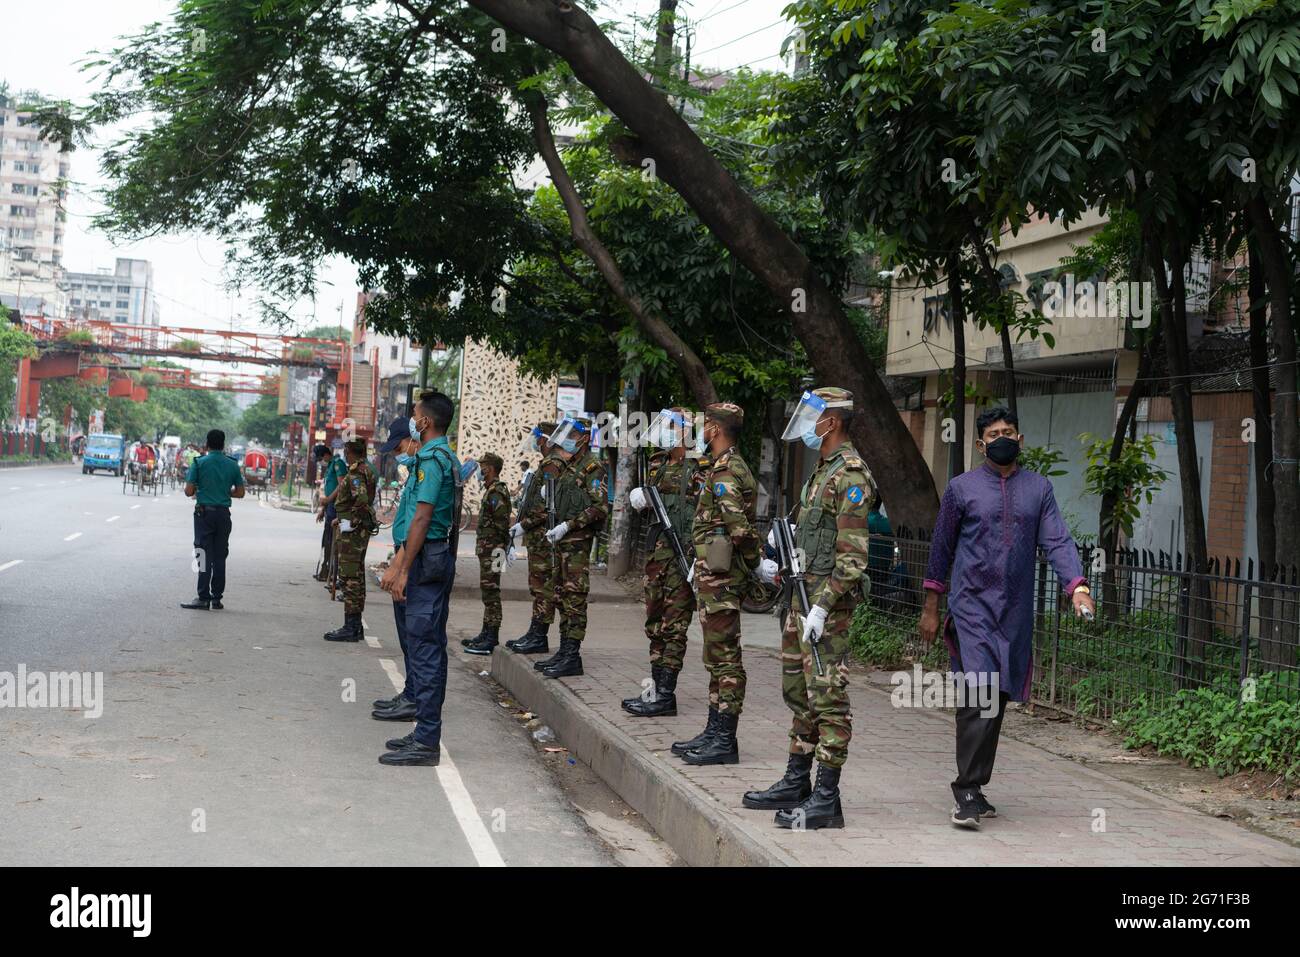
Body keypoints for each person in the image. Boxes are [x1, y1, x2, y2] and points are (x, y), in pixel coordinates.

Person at [919, 405, 1096, 829]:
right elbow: (941, 549)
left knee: (997, 697)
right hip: (971, 606)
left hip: (1014, 610)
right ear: (981, 444)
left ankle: (976, 787)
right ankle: (964, 789)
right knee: (979, 690)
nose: (1002, 437)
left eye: (1009, 431)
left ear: (1020, 440)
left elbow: (1057, 540)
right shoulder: (961, 489)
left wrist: (1077, 587)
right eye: (994, 432)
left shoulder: (1039, 489)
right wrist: (931, 606)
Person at [743, 387, 875, 829]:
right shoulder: (821, 472)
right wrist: (776, 554)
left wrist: (821, 608)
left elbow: (852, 559)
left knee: (830, 700)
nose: (807, 424)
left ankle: (827, 798)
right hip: (801, 601)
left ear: (832, 421)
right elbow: (806, 533)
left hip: (826, 608)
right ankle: (797, 780)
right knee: (800, 695)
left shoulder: (851, 475)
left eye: (814, 416)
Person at [672, 402, 759, 766]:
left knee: (725, 660)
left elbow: (738, 528)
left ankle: (725, 739)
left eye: (706, 424)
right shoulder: (724, 467)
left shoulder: (725, 472)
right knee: (715, 657)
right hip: (714, 576)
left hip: (723, 580)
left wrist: (758, 564)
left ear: (715, 429)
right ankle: (713, 731)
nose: (702, 430)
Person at [378, 391, 461, 766]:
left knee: (425, 648)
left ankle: (427, 740)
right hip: (430, 557)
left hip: (427, 560)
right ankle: (423, 732)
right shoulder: (441, 456)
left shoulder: (431, 459)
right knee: (427, 645)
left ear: (425, 422)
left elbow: (423, 518)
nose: (412, 417)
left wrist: (403, 567)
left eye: (415, 413)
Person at [623, 408, 706, 717]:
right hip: (657, 558)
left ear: (685, 430)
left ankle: (666, 695)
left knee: (674, 628)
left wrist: (700, 559)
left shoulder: (700, 467)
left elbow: (706, 516)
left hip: (683, 558)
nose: (666, 432)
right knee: (655, 624)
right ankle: (654, 690)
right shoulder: (657, 463)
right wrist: (641, 499)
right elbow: (651, 507)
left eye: (672, 426)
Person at [528, 417, 608, 679]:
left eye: (571, 435)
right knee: (561, 595)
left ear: (583, 439)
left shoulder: (592, 467)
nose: (566, 440)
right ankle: (564, 651)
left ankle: (572, 655)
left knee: (574, 598)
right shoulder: (569, 466)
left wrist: (569, 525)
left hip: (576, 544)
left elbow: (599, 507)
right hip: (562, 543)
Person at [373, 418, 421, 721]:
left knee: (416, 638)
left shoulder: (430, 467)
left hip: (414, 562)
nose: (396, 453)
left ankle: (416, 700)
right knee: (407, 637)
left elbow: (420, 524)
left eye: (400, 446)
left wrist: (400, 567)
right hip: (407, 558)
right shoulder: (417, 469)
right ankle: (410, 692)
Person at [505, 423, 561, 655]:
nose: (536, 444)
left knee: (544, 587)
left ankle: (539, 635)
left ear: (546, 440)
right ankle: (535, 632)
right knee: (537, 587)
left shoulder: (553, 465)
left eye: (539, 439)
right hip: (537, 538)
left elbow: (547, 508)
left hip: (544, 537)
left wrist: (522, 525)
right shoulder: (545, 465)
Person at [181, 429, 245, 610]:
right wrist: (226, 492)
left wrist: (202, 490)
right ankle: (216, 598)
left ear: (207, 444)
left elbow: (188, 491)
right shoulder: (232, 465)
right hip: (223, 515)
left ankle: (203, 597)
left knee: (202, 554)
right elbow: (240, 492)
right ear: (223, 445)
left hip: (204, 514)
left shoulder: (199, 463)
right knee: (219, 556)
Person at [323, 439, 379, 641]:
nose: (345, 456)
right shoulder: (367, 469)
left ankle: (351, 626)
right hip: (356, 530)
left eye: (346, 452)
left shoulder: (356, 473)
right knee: (356, 575)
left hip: (352, 534)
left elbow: (361, 500)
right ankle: (355, 626)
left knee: (349, 578)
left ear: (350, 452)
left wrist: (350, 521)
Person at [465, 452, 513, 656]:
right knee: (488, 592)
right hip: (490, 550)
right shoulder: (491, 490)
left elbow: (502, 524)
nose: (480, 470)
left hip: (495, 551)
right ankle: (485, 632)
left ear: (491, 469)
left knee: (492, 593)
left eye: (483, 466)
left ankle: (491, 637)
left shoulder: (497, 492)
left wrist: (502, 551)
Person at [314, 443, 349, 581]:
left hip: (336, 506)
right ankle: (326, 570)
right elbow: (329, 488)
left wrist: (329, 499)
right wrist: (323, 509)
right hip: (330, 506)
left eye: (320, 458)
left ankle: (333, 572)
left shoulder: (337, 463)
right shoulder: (329, 466)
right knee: (327, 539)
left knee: (333, 540)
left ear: (325, 454)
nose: (321, 461)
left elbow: (342, 485)